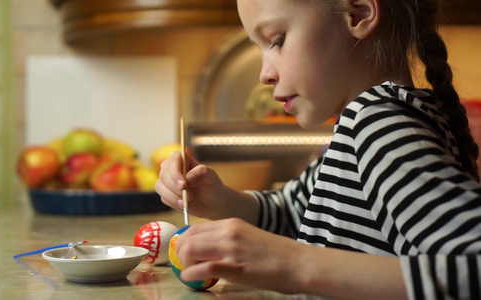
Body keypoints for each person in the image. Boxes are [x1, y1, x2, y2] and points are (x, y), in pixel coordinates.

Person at [155, 0, 481, 299]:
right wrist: (221, 201)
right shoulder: (362, 126)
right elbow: (292, 212)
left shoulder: (379, 125)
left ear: (358, 13)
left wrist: (295, 265)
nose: (265, 74)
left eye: (277, 39)